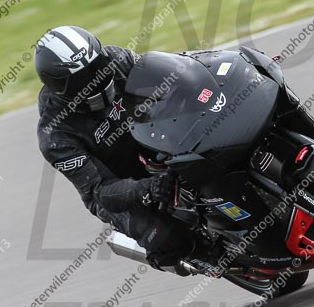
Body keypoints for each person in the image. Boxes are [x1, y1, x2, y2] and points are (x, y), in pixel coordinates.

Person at [34, 25, 222, 277]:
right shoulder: (56, 135)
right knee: (168, 239)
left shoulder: (118, 60)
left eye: (97, 67)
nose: (95, 79)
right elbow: (100, 190)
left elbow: (176, 74)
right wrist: (147, 188)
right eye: (81, 79)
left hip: (153, 139)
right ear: (58, 86)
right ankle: (205, 258)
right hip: (118, 186)